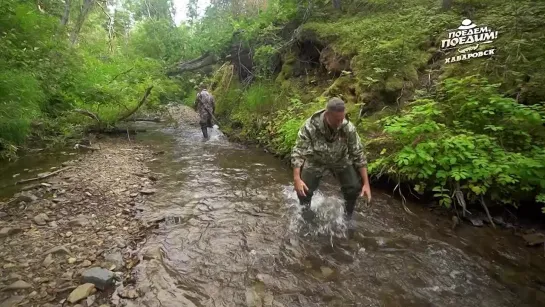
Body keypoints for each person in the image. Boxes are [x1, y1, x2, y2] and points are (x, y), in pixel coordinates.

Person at [291, 97, 372, 224]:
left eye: (342, 119)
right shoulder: (310, 126)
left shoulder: (347, 127)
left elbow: (358, 154)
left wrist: (366, 184)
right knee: (303, 190)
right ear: (327, 115)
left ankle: (347, 218)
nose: (340, 123)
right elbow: (298, 151)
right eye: (337, 120)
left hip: (340, 159)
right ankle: (306, 218)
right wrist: (297, 178)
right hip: (316, 160)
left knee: (353, 188)